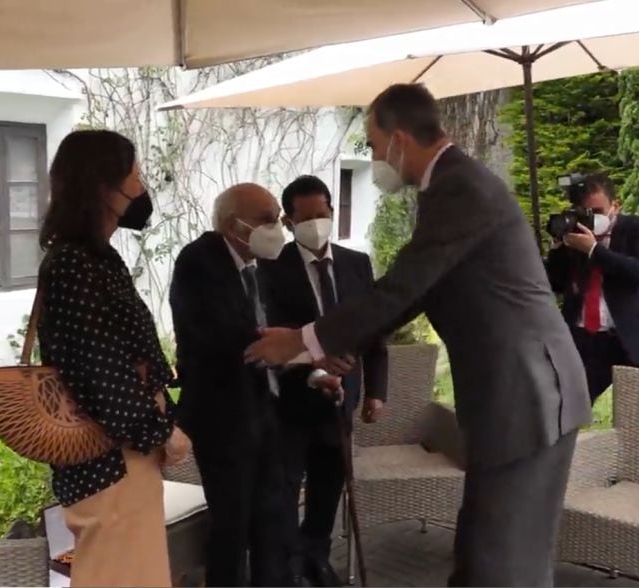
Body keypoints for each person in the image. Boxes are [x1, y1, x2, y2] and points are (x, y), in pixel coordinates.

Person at [244, 83, 592, 587]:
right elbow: (411, 295)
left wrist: (302, 341)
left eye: (371, 143)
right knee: (484, 554)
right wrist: (330, 345)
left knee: (502, 563)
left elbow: (403, 290)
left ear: (399, 139)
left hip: (527, 393)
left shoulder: (459, 188)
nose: (373, 157)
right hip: (518, 394)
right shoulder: (451, 186)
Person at [36, 129, 191, 588]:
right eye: (135, 176)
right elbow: (102, 372)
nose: (142, 190)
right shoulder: (73, 265)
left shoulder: (96, 259)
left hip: (125, 457)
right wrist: (163, 431)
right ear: (104, 186)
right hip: (109, 462)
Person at [261, 175, 389, 587]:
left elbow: (373, 331)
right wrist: (314, 368)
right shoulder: (269, 269)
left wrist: (376, 393)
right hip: (292, 405)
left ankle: (317, 556)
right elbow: (271, 340)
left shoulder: (356, 263)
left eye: (324, 213)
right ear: (288, 220)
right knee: (284, 491)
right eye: (307, 217)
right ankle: (288, 567)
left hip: (341, 404)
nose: (318, 222)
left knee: (328, 489)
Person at [169, 183, 295, 587]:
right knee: (232, 525)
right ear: (232, 224)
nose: (277, 228)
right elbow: (225, 335)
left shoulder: (259, 265)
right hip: (222, 420)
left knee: (271, 520)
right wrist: (301, 348)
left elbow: (274, 330)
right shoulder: (199, 261)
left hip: (263, 412)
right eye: (267, 219)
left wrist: (308, 364)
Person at [545, 172, 639, 404]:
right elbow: (554, 283)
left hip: (636, 336)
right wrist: (558, 248)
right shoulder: (574, 236)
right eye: (584, 213)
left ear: (614, 206)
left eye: (597, 212)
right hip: (586, 339)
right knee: (559, 408)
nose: (591, 218)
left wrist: (594, 250)